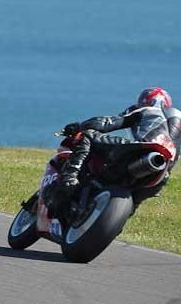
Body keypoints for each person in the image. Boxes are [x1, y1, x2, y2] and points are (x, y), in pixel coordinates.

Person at [46, 87, 180, 214]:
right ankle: (119, 218)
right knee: (132, 203)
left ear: (146, 101)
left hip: (140, 149)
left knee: (88, 135)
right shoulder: (177, 117)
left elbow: (106, 123)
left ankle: (69, 178)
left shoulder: (148, 110)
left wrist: (79, 126)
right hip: (162, 174)